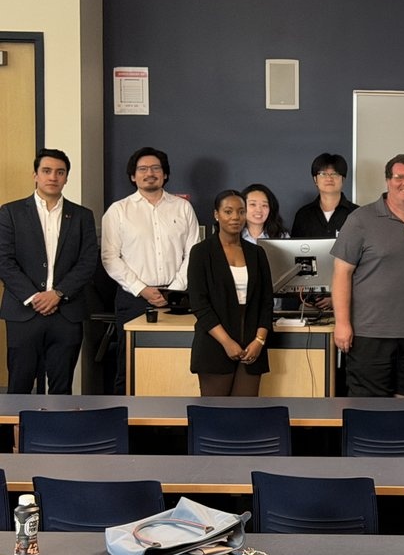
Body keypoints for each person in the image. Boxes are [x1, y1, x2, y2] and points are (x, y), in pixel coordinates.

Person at [331, 154, 404, 397]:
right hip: (370, 335)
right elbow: (341, 274)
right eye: (399, 177)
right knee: (369, 410)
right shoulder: (360, 220)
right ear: (388, 181)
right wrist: (342, 324)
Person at [101, 146, 200, 394]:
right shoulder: (118, 211)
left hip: (178, 297)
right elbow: (110, 257)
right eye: (142, 169)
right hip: (133, 297)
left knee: (177, 363)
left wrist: (173, 290)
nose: (150, 173)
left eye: (156, 168)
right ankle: (125, 425)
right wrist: (142, 289)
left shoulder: (182, 208)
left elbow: (194, 252)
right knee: (129, 366)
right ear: (133, 176)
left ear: (165, 174)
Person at [0, 148, 98, 395]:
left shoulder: (82, 216)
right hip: (23, 313)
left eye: (60, 172)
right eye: (46, 171)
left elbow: (88, 261)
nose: (53, 177)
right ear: (35, 175)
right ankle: (20, 435)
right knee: (19, 386)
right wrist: (35, 297)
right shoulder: (10, 213)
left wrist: (59, 293)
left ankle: (56, 434)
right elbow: (4, 260)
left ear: (66, 178)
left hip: (66, 312)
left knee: (61, 388)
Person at [187, 190, 274, 396]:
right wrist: (227, 343)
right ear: (216, 214)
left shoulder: (257, 253)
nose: (235, 217)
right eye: (228, 211)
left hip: (253, 346)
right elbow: (200, 304)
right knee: (215, 417)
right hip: (215, 344)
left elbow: (266, 301)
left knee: (246, 416)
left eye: (241, 211)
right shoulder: (201, 252)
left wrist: (259, 341)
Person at [290, 153, 357, 238]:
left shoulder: (358, 214)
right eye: (323, 174)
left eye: (335, 174)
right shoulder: (303, 215)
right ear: (315, 179)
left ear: (343, 179)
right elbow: (294, 248)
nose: (329, 178)